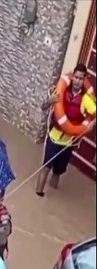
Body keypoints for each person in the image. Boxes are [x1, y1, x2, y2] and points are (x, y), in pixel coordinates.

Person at [35, 63, 96, 197]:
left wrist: (92, 123)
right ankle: (39, 194)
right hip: (54, 136)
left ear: (84, 79)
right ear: (72, 77)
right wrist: (49, 101)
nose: (78, 81)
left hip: (69, 141)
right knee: (46, 166)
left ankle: (52, 197)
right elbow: (43, 107)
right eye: (76, 77)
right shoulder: (62, 91)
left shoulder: (86, 99)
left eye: (81, 79)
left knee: (58, 171)